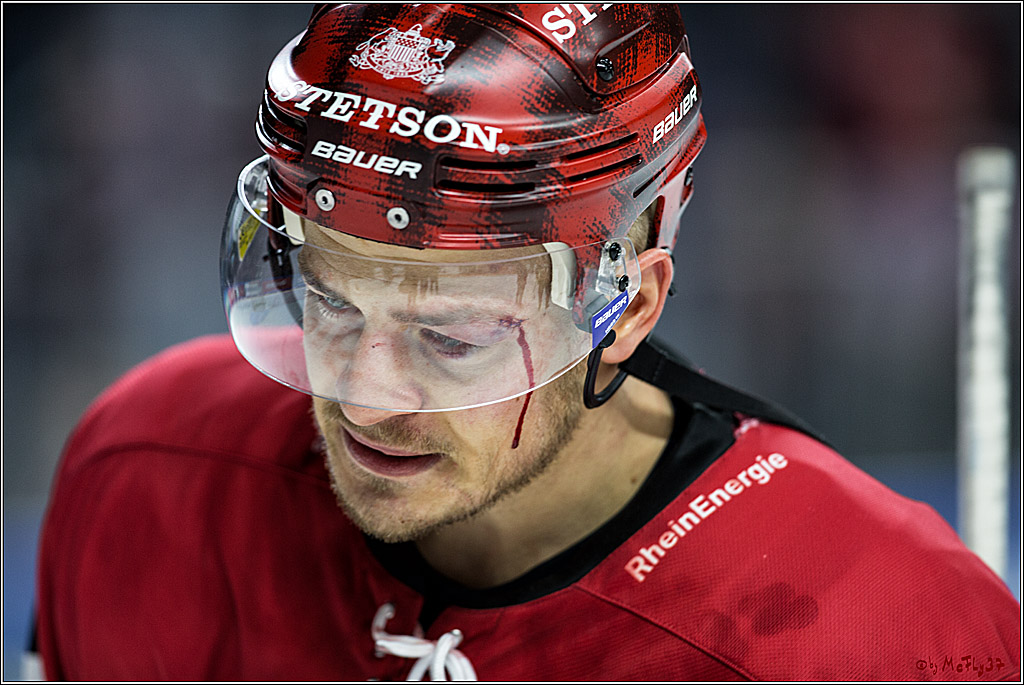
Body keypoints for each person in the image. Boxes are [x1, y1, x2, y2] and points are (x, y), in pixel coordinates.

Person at [35, 4, 1019, 681]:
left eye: (453, 337)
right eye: (331, 303)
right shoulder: (145, 467)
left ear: (625, 310)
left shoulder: (883, 632)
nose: (370, 400)